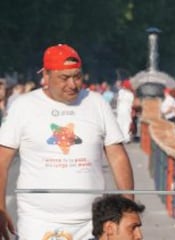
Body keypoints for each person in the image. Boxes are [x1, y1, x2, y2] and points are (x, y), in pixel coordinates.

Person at [0, 43, 134, 239]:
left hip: (91, 223)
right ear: (46, 75)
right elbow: (2, 161)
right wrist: (1, 208)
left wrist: (128, 208)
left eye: (77, 76)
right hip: (37, 222)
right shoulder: (24, 106)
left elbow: (117, 156)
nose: (73, 84)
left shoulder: (97, 103)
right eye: (64, 78)